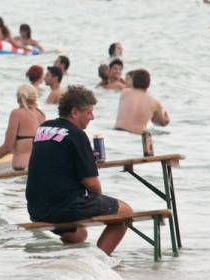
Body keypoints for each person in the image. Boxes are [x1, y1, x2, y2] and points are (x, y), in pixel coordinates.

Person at [25, 85, 133, 256]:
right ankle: (98, 264)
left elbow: (54, 161)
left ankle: (69, 264)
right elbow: (92, 185)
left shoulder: (43, 128)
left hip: (36, 209)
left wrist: (84, 157)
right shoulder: (77, 135)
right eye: (89, 112)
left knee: (79, 235)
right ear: (75, 112)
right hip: (64, 206)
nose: (92, 117)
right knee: (125, 212)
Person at [0, 84, 45, 173]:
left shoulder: (17, 113)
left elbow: (8, 147)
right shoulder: (41, 114)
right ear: (35, 97)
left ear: (18, 98)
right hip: (39, 168)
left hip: (21, 170)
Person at [114, 69, 170, 134]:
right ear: (148, 84)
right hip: (137, 134)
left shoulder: (124, 92)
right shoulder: (154, 102)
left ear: (133, 81)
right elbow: (163, 123)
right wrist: (167, 119)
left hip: (118, 131)